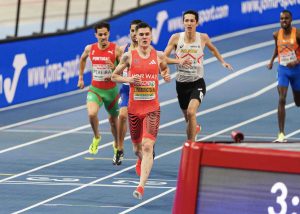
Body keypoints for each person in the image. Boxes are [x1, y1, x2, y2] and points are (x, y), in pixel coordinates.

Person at [112, 22, 171, 199]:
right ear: (135, 37)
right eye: (141, 35)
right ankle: (141, 159)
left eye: (147, 34)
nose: (144, 37)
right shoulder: (128, 57)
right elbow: (114, 76)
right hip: (134, 110)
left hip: (152, 109)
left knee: (147, 146)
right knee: (137, 148)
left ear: (151, 36)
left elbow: (165, 68)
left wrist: (166, 74)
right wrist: (129, 79)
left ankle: (141, 186)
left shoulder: (158, 55)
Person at [164, 10, 233, 142]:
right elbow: (164, 58)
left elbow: (212, 49)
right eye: (186, 20)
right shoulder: (176, 38)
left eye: (192, 21)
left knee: (191, 112)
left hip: (197, 83)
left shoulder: (203, 37)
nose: (189, 23)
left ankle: (191, 146)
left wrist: (222, 61)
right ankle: (195, 127)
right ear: (183, 22)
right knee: (188, 119)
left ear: (197, 22)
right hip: (181, 85)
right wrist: (169, 67)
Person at [77, 22, 123, 164]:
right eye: (100, 34)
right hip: (95, 89)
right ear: (95, 35)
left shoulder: (116, 50)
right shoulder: (90, 48)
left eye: (105, 34)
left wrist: (114, 66)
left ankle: (116, 145)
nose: (103, 37)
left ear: (109, 34)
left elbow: (124, 70)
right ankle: (97, 137)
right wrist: (80, 77)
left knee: (114, 123)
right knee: (91, 114)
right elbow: (82, 59)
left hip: (111, 91)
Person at [267, 10, 300, 142]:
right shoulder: (276, 34)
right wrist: (271, 61)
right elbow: (277, 48)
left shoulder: (297, 34)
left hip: (297, 71)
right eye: (281, 19)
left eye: (286, 18)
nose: (283, 21)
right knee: (282, 99)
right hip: (283, 70)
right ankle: (281, 134)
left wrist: (297, 61)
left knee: (298, 102)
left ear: (291, 20)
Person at [114, 19, 143, 166]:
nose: (134, 34)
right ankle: (119, 148)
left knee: (141, 121)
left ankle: (143, 147)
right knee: (122, 115)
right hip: (126, 89)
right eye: (132, 31)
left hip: (142, 91)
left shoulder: (147, 50)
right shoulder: (122, 50)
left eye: (136, 31)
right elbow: (116, 70)